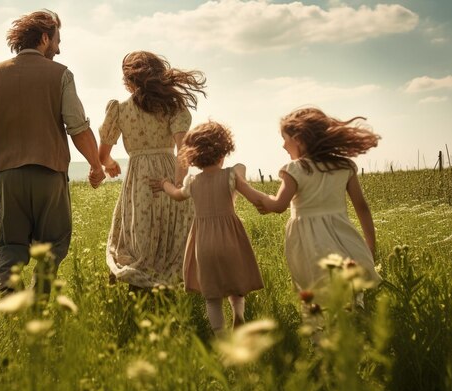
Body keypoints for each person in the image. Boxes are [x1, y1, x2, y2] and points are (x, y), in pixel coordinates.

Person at [0, 9, 105, 294]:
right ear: (44, 38)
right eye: (56, 40)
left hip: (8, 177)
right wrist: (95, 165)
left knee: (11, 246)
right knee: (53, 243)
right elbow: (76, 127)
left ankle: (8, 298)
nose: (59, 47)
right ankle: (39, 302)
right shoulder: (61, 74)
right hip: (49, 175)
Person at [98, 51, 206, 289]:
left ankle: (138, 280)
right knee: (172, 231)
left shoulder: (119, 109)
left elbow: (103, 155)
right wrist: (177, 183)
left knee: (139, 229)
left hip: (139, 177)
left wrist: (109, 164)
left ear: (128, 80)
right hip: (168, 172)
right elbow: (183, 150)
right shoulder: (173, 107)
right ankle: (170, 280)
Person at [255, 107, 381, 302]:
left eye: (285, 139)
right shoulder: (344, 166)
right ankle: (354, 324)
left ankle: (322, 330)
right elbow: (361, 207)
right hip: (343, 237)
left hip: (309, 243)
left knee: (316, 293)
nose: (283, 146)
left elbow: (279, 205)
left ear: (299, 139)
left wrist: (253, 194)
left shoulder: (295, 169)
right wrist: (370, 246)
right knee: (351, 291)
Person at [150, 121, 264, 335]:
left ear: (193, 156)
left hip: (203, 242)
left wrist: (165, 183)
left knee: (212, 296)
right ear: (224, 151)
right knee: (236, 286)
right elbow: (254, 196)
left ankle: (220, 336)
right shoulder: (231, 176)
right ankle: (238, 315)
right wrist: (271, 203)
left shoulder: (192, 181)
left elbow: (176, 195)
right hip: (231, 238)